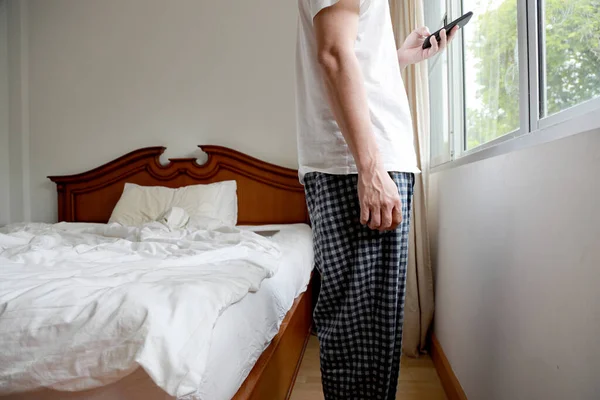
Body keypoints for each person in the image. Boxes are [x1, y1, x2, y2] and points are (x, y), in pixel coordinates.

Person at [295, 0, 457, 398]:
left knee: (371, 333)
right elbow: (333, 55)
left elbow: (349, 54)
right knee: (360, 331)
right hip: (358, 166)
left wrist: (397, 56)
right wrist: (369, 168)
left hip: (361, 162)